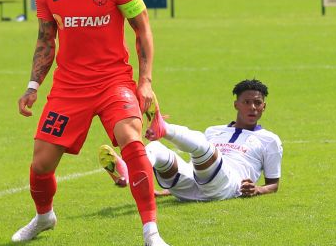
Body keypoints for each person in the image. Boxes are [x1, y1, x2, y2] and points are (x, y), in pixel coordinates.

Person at [13, 0, 169, 246]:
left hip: (114, 81)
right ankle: (44, 217)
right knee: (41, 164)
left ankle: (150, 229)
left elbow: (142, 30)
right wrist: (33, 86)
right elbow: (45, 39)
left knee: (131, 140)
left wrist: (145, 81)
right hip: (69, 88)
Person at [102, 79, 282, 201]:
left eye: (258, 103)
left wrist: (258, 189)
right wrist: (165, 192)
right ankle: (128, 171)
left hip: (228, 185)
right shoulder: (214, 130)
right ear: (236, 104)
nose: (253, 107)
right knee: (156, 147)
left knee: (204, 147)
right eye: (247, 102)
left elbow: (273, 184)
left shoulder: (270, 140)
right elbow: (196, 166)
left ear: (264, 107)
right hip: (191, 188)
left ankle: (164, 128)